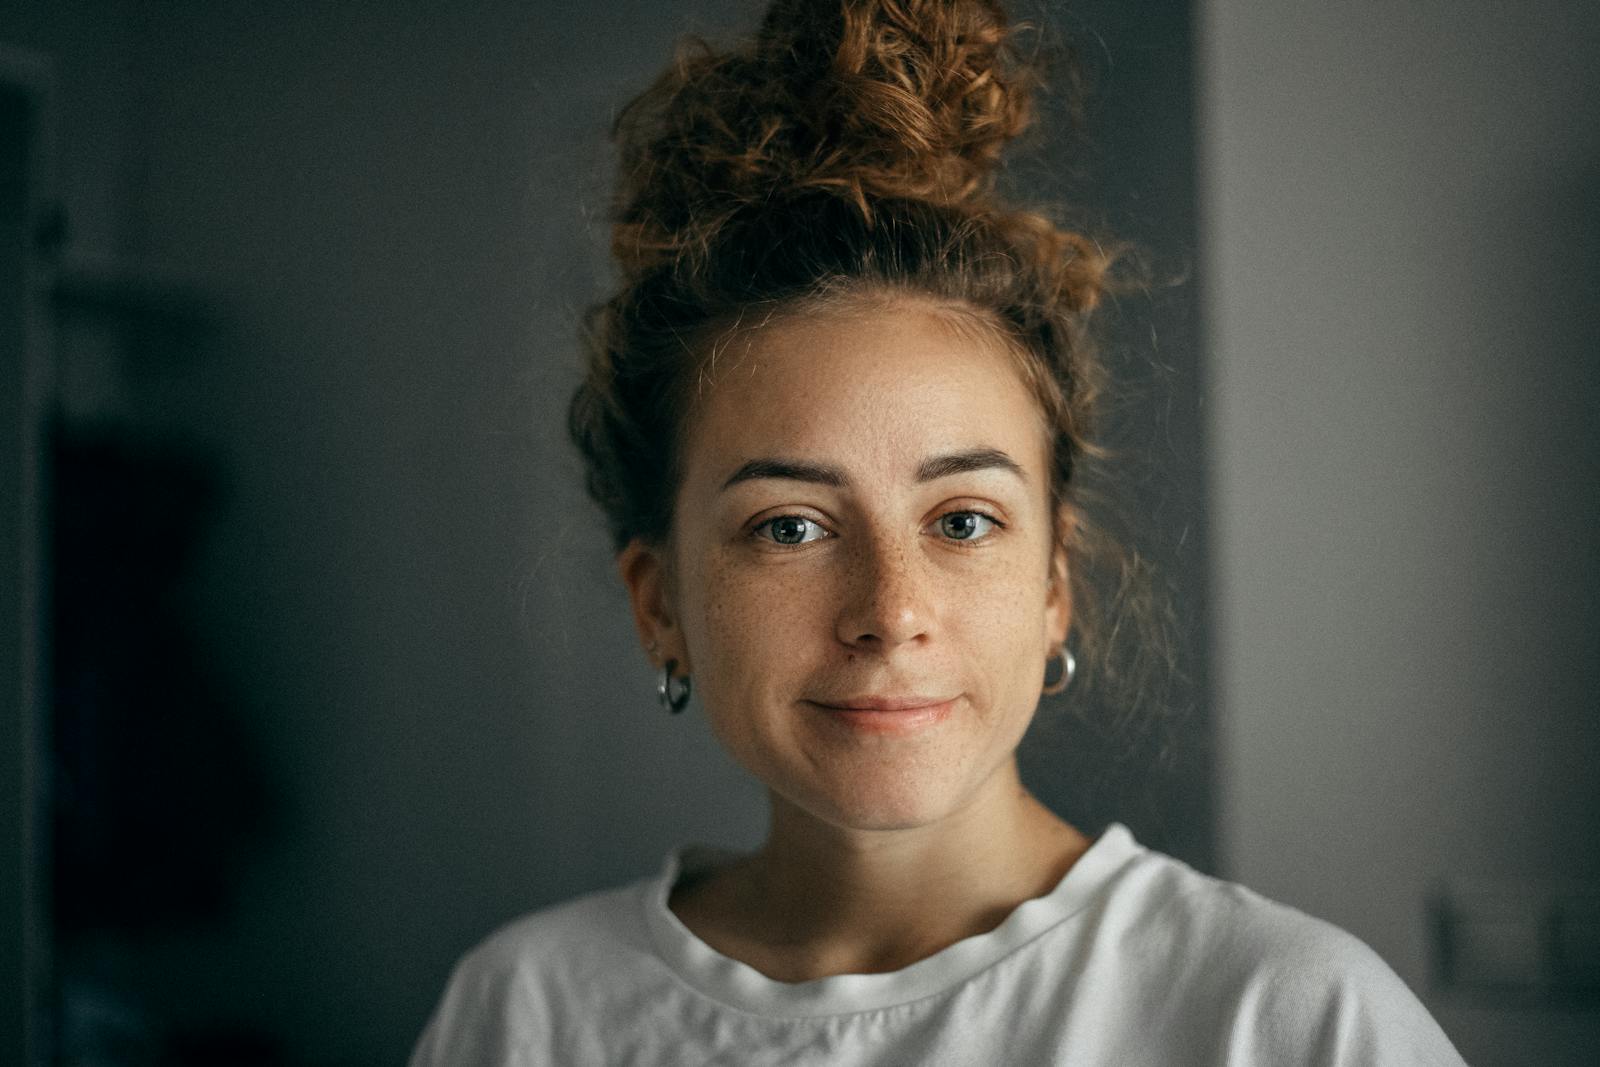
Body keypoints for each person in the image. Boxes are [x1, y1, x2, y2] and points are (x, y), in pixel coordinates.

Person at [410, 1, 1467, 1062]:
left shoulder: (1283, 1015)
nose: (891, 610)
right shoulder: (527, 1008)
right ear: (659, 603)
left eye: (962, 518)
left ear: (1053, 582)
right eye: (789, 526)